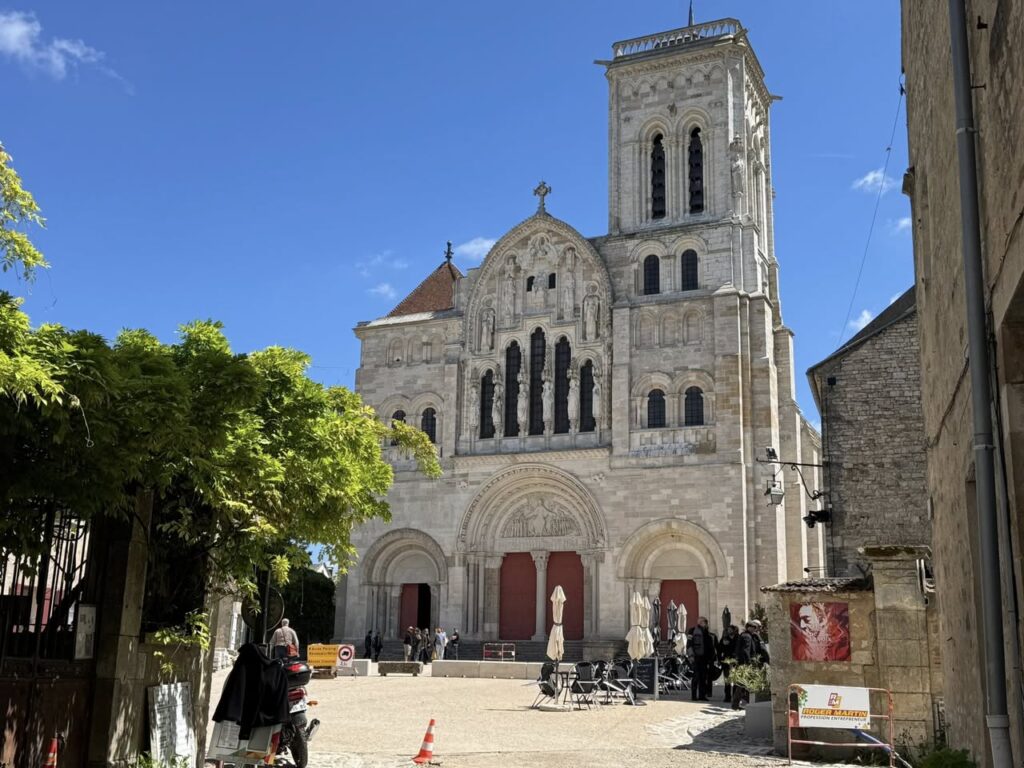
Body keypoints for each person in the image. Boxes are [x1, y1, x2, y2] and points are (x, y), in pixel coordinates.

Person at [731, 620, 768, 710]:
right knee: (745, 684)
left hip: (742, 663)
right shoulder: (747, 636)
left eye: (755, 628)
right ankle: (740, 703)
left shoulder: (744, 635)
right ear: (748, 627)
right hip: (746, 664)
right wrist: (749, 663)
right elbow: (746, 651)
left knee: (742, 684)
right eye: (753, 628)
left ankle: (736, 704)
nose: (754, 629)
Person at [687, 616, 718, 701]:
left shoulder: (708, 633)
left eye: (702, 621)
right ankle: (694, 696)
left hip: (705, 658)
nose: (700, 623)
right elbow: (689, 644)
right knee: (696, 676)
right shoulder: (692, 630)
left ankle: (702, 695)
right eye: (699, 621)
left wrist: (712, 658)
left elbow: (710, 647)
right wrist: (691, 655)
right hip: (696, 657)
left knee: (703, 677)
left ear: (705, 623)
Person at [718, 624, 740, 703]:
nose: (729, 631)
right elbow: (719, 649)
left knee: (736, 680)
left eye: (731, 629)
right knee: (727, 680)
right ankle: (727, 696)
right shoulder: (724, 639)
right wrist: (720, 659)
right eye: (728, 630)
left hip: (736, 662)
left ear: (735, 630)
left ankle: (735, 696)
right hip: (726, 662)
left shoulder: (739, 638)